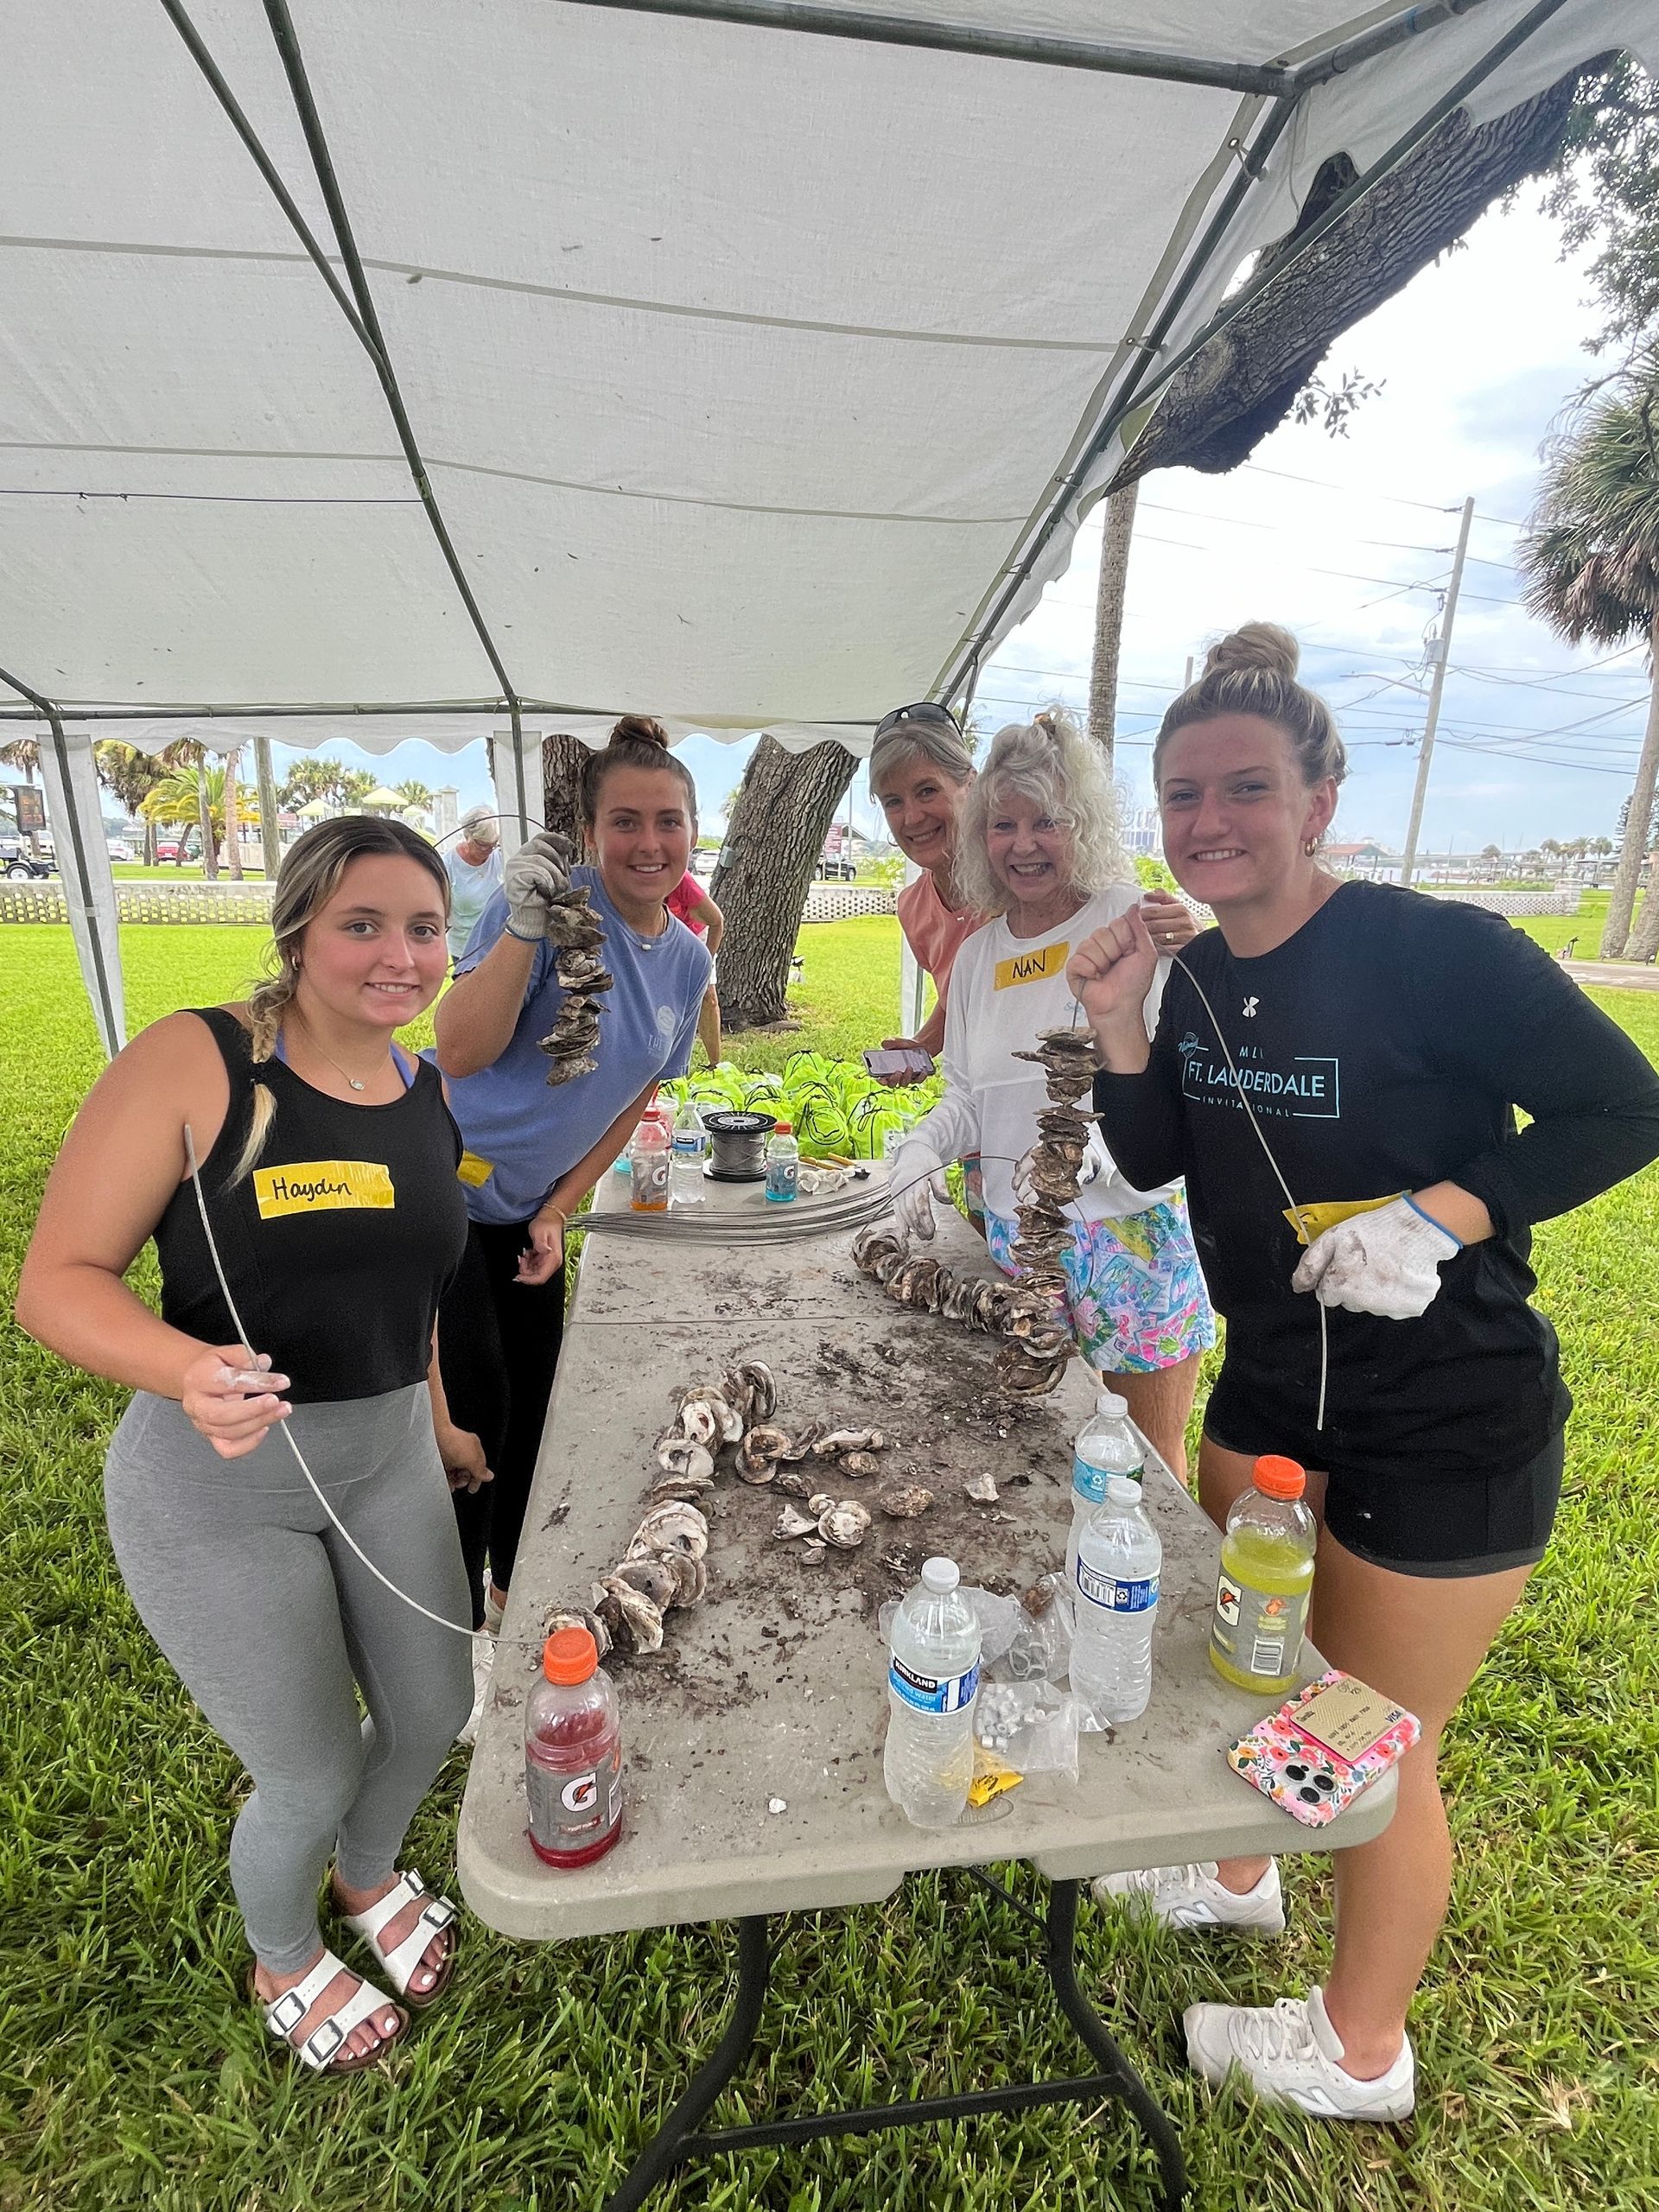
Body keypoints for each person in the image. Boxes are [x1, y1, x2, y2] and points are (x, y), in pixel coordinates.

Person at [1069, 623, 1659, 2121]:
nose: (1210, 822)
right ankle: (1240, 1872)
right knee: (1261, 1668)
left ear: (1320, 798)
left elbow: (1625, 1106)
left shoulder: (1434, 951)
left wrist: (1442, 1214)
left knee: (1371, 1737)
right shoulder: (1192, 980)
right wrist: (1121, 1022)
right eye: (1183, 794)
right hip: (1275, 1391)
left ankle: (1358, 2053)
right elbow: (1151, 1157)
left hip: (1446, 1418)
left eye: (1247, 789)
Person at [16, 817, 486, 2075]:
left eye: (425, 927)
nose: (401, 956)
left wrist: (437, 1422)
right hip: (219, 1487)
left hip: (386, 1460)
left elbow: (417, 1287)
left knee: (436, 1707)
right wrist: (188, 1368)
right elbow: (56, 1281)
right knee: (312, 1763)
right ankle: (283, 1952)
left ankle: (367, 1877)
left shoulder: (422, 1085)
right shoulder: (200, 1060)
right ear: (297, 929)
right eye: (363, 924)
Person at [434, 717, 712, 1657]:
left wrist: (559, 1205)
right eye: (625, 820)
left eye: (668, 820)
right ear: (592, 831)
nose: (649, 843)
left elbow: (636, 1093)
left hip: (526, 1208)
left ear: (693, 829)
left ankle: (513, 1602)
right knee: (471, 1416)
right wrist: (520, 925)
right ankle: (451, 1627)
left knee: (538, 1407)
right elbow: (462, 1050)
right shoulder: (552, 906)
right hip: (438, 1185)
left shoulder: (688, 958)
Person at [886, 710, 1215, 1474]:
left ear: (1086, 827)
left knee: (1144, 1462)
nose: (1024, 845)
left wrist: (1099, 1144)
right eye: (1004, 824)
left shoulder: (1129, 921)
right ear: (980, 835)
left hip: (1125, 1237)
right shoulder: (977, 957)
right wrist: (922, 1146)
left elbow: (1175, 1074)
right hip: (1014, 1240)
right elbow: (970, 1092)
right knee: (1029, 1452)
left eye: (1048, 822)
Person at [666, 865, 725, 1065]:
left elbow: (717, 922)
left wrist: (706, 962)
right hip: (658, 936)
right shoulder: (631, 880)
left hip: (694, 936)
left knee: (707, 996)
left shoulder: (682, 880)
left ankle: (714, 1065)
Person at [443, 804, 503, 961]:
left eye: (493, 844)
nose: (489, 850)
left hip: (498, 943)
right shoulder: (448, 865)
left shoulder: (500, 857)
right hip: (465, 949)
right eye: (483, 845)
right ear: (467, 836)